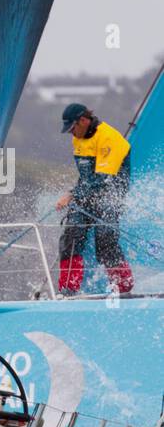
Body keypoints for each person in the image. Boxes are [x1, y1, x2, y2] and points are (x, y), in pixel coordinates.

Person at [55, 103, 134, 295]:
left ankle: (123, 288)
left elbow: (102, 180)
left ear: (83, 120)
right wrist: (73, 192)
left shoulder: (108, 137)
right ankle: (68, 290)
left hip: (110, 192)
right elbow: (86, 177)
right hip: (87, 191)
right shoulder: (78, 138)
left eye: (73, 128)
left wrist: (72, 195)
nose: (71, 133)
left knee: (105, 239)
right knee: (71, 237)